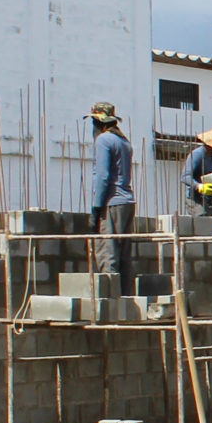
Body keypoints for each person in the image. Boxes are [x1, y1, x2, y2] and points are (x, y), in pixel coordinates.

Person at [88, 101, 136, 286]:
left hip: (112, 203)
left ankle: (111, 306)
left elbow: (102, 176)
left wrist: (96, 207)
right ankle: (127, 303)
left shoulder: (104, 140)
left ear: (100, 122)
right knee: (124, 256)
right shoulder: (124, 141)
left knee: (108, 254)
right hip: (127, 203)